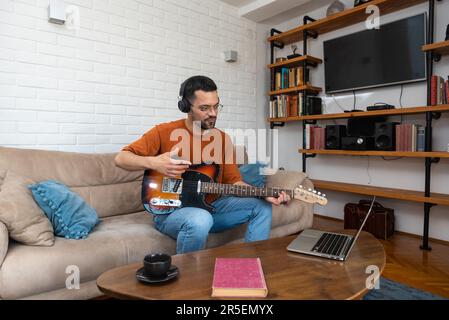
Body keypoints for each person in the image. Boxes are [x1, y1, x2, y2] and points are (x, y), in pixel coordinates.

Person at [115, 75, 290, 254]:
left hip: (212, 207)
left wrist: (262, 194)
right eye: (205, 108)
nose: (213, 113)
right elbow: (121, 158)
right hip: (170, 211)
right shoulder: (163, 132)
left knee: (261, 207)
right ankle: (188, 279)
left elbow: (234, 182)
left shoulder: (222, 139)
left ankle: (250, 268)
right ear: (186, 107)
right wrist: (154, 162)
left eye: (216, 106)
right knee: (201, 218)